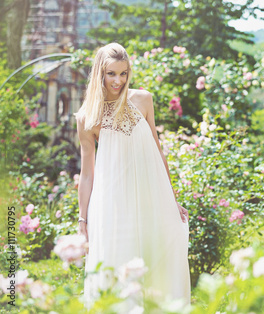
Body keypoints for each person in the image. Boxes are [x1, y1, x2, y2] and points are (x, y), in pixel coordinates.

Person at [74, 43, 190, 311]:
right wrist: (83, 219)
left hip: (148, 196)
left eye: (123, 73)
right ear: (99, 74)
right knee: (116, 264)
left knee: (158, 255)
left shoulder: (143, 100)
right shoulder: (86, 117)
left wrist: (171, 198)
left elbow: (158, 153)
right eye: (111, 74)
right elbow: (87, 173)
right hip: (111, 203)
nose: (118, 81)